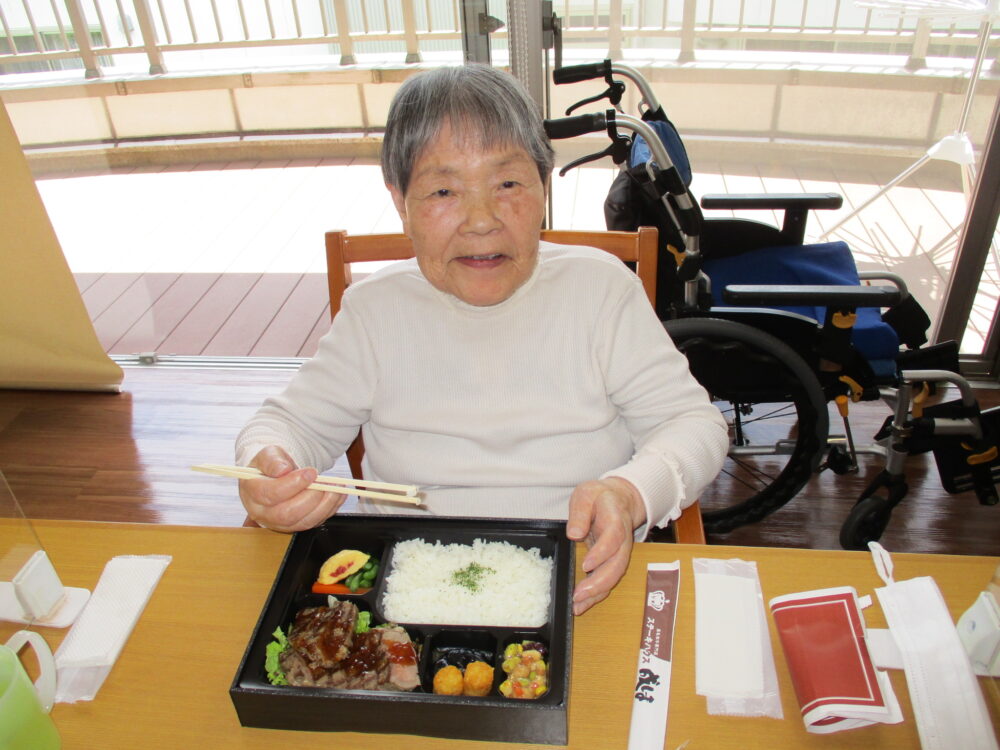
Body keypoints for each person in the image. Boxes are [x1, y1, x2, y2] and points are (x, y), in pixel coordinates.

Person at [235, 64, 728, 615]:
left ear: (544, 186)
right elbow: (286, 424)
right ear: (401, 202)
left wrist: (632, 492)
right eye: (444, 190)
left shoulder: (601, 289)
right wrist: (267, 469)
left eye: (508, 184)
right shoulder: (377, 309)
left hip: (579, 570)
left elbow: (694, 424)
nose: (481, 220)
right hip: (408, 583)